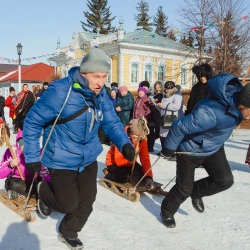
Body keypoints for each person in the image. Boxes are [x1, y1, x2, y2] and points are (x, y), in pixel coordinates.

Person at [23, 48, 135, 250]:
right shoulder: (60, 92)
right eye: (95, 76)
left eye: (104, 76)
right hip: (61, 157)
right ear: (83, 74)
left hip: (88, 157)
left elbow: (111, 122)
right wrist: (32, 155)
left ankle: (68, 231)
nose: (100, 82)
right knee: (68, 205)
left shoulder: (99, 95)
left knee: (87, 201)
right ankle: (43, 189)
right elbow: (32, 121)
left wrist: (124, 143)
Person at [159, 74, 250, 228]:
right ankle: (166, 211)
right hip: (190, 149)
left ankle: (197, 193)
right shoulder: (211, 113)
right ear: (242, 105)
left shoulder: (240, 103)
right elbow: (178, 126)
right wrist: (168, 148)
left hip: (213, 147)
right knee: (183, 189)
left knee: (225, 180)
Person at [104, 118, 154, 188]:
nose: (138, 139)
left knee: (142, 176)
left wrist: (148, 177)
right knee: (125, 177)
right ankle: (110, 175)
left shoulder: (142, 140)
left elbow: (145, 159)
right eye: (136, 136)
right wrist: (129, 170)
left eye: (140, 137)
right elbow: (119, 160)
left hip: (130, 162)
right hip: (114, 163)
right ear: (131, 133)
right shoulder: (122, 138)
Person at [0, 130, 50, 199]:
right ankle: (39, 194)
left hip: (33, 181)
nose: (24, 147)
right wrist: (10, 165)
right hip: (18, 181)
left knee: (45, 184)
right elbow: (0, 173)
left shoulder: (38, 152)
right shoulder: (12, 152)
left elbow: (46, 173)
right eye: (22, 143)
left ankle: (38, 193)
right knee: (12, 184)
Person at [156, 81, 184, 150]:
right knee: (163, 135)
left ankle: (172, 152)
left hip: (173, 118)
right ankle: (164, 150)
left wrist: (163, 105)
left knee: (172, 136)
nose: (166, 90)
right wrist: (159, 106)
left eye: (168, 88)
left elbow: (177, 106)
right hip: (165, 118)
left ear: (172, 88)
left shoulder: (177, 95)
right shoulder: (165, 95)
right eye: (166, 88)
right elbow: (163, 106)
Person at [133, 87, 153, 151]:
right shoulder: (138, 99)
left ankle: (144, 148)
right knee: (137, 134)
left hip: (142, 120)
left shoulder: (146, 99)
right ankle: (138, 147)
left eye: (142, 91)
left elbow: (148, 110)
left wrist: (146, 119)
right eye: (139, 91)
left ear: (144, 92)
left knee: (143, 135)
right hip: (136, 119)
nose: (140, 93)